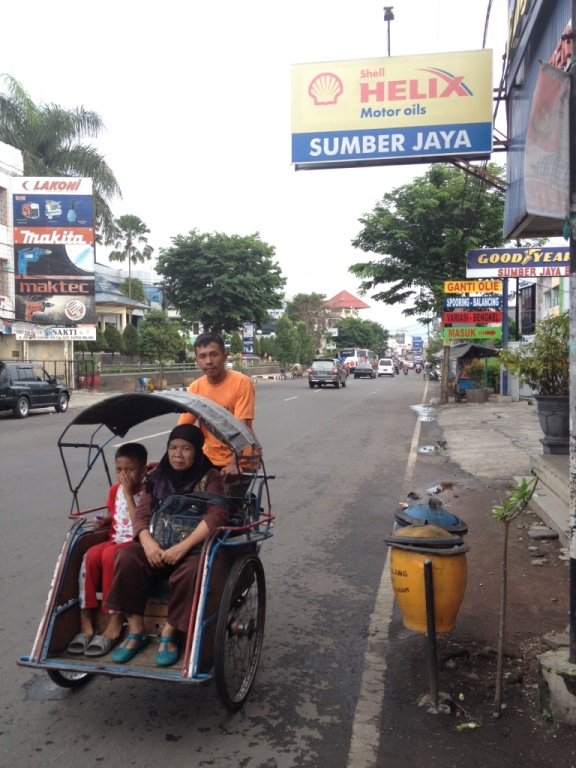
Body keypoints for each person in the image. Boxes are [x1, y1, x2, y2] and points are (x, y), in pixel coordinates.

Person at [104, 424, 228, 667]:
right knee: (127, 557)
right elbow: (141, 516)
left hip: (190, 548)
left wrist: (183, 547)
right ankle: (136, 627)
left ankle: (170, 631)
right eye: (172, 448)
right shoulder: (157, 477)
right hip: (158, 544)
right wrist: (148, 544)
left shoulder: (210, 477)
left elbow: (217, 516)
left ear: (197, 451)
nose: (177, 454)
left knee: (194, 570)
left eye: (186, 449)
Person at [67, 442, 148, 657]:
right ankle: (86, 617)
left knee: (109, 557)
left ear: (143, 471)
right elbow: (115, 513)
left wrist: (130, 494)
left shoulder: (146, 493)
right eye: (119, 470)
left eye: (130, 470)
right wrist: (105, 520)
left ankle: (115, 616)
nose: (124, 475)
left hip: (134, 543)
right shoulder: (115, 490)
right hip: (114, 538)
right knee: (90, 556)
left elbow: (137, 523)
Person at [178, 332, 256, 486]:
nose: (208, 361)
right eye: (203, 356)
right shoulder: (196, 387)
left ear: (225, 356)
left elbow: (241, 425)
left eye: (214, 355)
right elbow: (183, 428)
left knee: (223, 504)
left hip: (241, 460)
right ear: (196, 360)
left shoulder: (242, 383)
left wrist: (235, 464)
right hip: (209, 459)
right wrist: (168, 461)